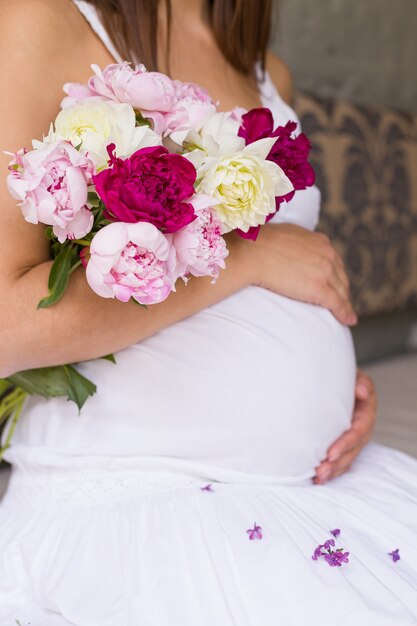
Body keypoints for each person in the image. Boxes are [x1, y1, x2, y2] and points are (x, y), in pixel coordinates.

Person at [0, 0, 415, 624]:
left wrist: (333, 386)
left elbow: (295, 280)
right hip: (145, 497)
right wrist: (250, 258)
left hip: (312, 484)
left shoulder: (264, 67)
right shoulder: (41, 18)